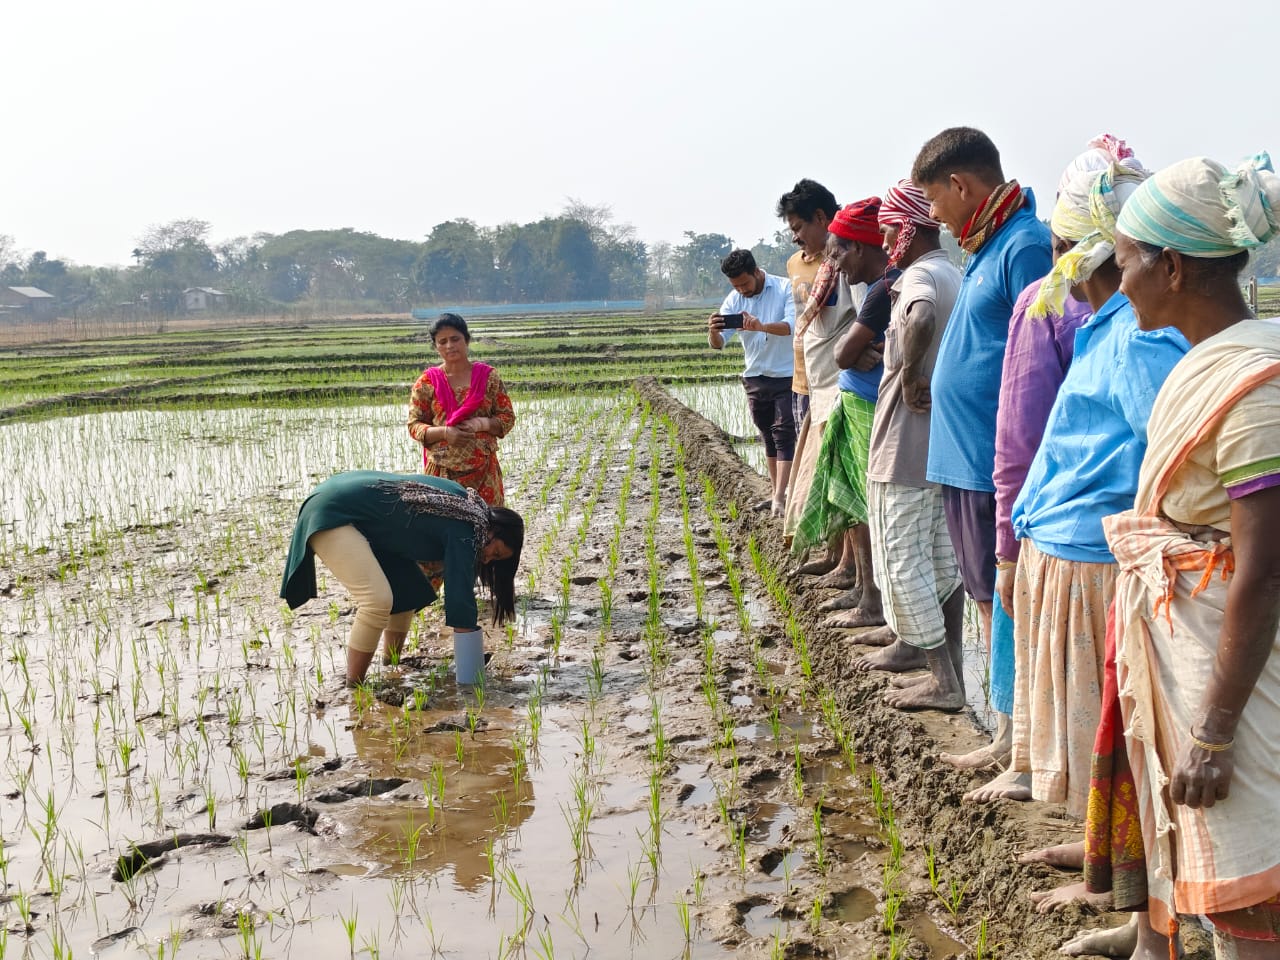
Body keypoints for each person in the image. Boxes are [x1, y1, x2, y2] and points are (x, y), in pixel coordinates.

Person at [983, 163, 1192, 918]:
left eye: (1064, 245)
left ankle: (1141, 914)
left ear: (1090, 252)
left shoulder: (1139, 344)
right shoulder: (1106, 329)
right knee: (1105, 747)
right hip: (1069, 555)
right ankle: (1110, 864)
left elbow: (1162, 462)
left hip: (1100, 562)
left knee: (1131, 748)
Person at [1089, 153, 1280, 960]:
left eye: (1126, 261)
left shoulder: (1252, 384)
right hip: (1201, 648)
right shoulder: (1212, 361)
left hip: (1236, 676)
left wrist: (1214, 731)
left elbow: (1265, 572)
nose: (1118, 279)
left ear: (1171, 264)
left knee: (1252, 901)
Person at [965, 136, 1141, 777]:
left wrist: (1008, 542)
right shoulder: (1116, 320)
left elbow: (1020, 437)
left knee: (1094, 706)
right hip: (1088, 536)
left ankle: (1037, 777)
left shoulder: (1096, 321)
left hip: (1082, 542)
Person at [910, 127, 1052, 766]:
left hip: (992, 461)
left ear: (961, 185)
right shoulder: (987, 244)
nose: (933, 215)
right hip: (965, 456)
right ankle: (1006, 733)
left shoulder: (1023, 244)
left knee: (1005, 601)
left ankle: (1015, 741)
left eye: (934, 199)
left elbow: (1043, 351)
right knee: (985, 596)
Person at [853, 179, 966, 709]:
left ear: (905, 228)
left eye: (889, 229)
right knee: (939, 563)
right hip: (939, 449)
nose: (886, 237)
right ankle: (949, 675)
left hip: (905, 445)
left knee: (901, 560)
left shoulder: (920, 277)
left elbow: (919, 317)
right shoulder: (953, 272)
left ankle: (943, 681)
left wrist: (912, 372)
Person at [280, 471, 524, 686]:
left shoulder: (470, 509)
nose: (488, 559)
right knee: (377, 600)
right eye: (497, 552)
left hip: (359, 510)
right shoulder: (468, 530)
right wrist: (472, 678)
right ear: (495, 529)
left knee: (406, 591)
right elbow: (460, 601)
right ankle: (354, 687)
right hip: (332, 511)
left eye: (496, 560)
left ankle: (390, 665)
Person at [793, 197, 897, 630]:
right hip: (838, 393)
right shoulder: (861, 279)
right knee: (850, 496)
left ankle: (872, 597)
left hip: (859, 399)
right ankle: (860, 584)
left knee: (863, 500)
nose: (832, 259)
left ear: (862, 247)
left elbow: (849, 349)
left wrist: (854, 351)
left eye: (839, 250)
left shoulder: (881, 286)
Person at [777, 179, 850, 570]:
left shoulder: (846, 261)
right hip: (808, 383)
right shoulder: (799, 264)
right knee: (821, 475)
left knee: (841, 478)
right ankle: (834, 555)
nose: (795, 238)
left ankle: (846, 565)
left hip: (838, 385)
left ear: (821, 218)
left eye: (798, 228)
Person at [707, 249, 796, 516]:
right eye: (736, 286)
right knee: (767, 434)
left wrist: (761, 326)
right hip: (755, 376)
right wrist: (713, 331)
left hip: (787, 374)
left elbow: (791, 325)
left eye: (745, 283)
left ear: (757, 272)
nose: (742, 290)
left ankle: (781, 497)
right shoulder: (734, 299)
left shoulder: (784, 288)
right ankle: (775, 492)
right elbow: (719, 344)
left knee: (784, 434)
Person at [408, 313, 516, 506]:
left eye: (455, 339)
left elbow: (506, 417)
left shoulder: (489, 377)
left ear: (467, 340)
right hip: (442, 474)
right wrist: (445, 433)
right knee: (445, 529)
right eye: (442, 341)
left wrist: (480, 424)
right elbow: (414, 426)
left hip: (484, 471)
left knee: (488, 528)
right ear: (436, 347)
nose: (450, 346)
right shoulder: (426, 382)